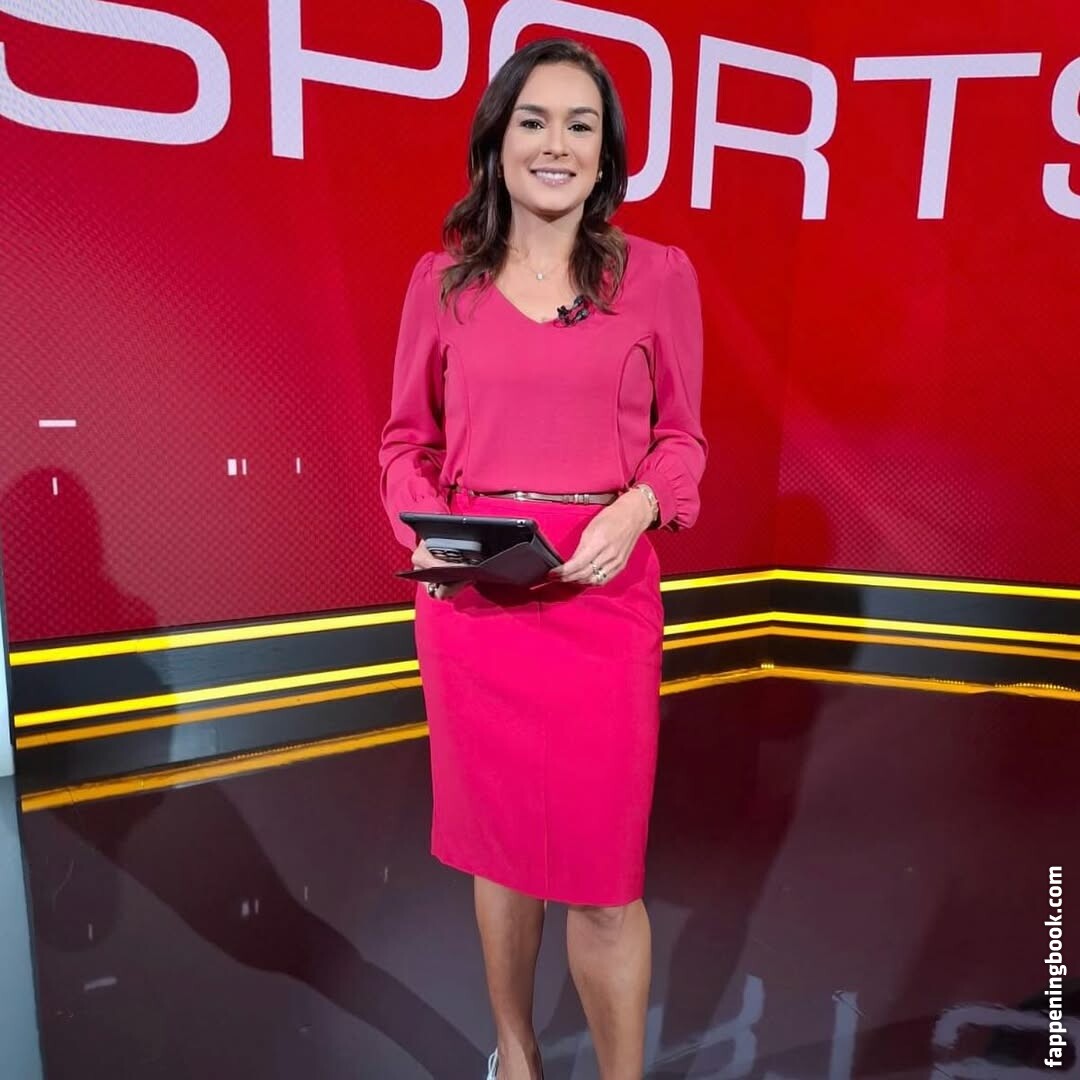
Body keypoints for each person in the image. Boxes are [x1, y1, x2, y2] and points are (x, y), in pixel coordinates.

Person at [378, 36, 707, 1080]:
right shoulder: (442, 283)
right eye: (534, 120)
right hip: (478, 608)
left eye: (580, 124)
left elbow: (683, 439)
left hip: (603, 604)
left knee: (606, 884)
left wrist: (640, 506)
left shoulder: (657, 276)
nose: (555, 144)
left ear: (606, 153)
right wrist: (428, 531)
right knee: (504, 856)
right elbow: (404, 444)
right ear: (498, 140)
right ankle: (516, 1054)